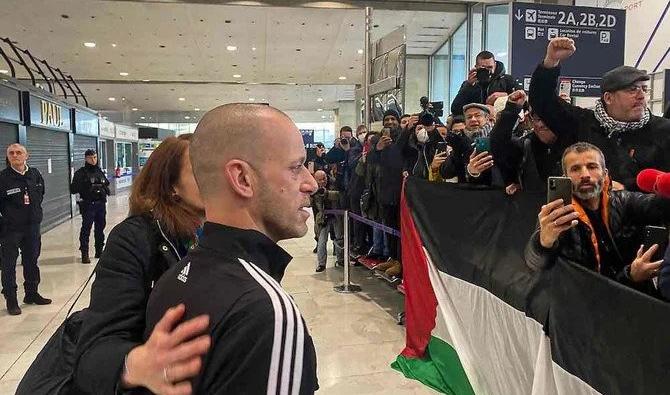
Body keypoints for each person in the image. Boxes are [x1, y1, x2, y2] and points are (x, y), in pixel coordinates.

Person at [144, 104, 319, 394]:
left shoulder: (175, 278)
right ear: (242, 179)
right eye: (295, 167)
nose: (310, 183)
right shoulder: (267, 312)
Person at [73, 135, 211, 395]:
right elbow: (95, 353)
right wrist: (135, 364)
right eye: (202, 172)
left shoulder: (225, 234)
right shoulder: (135, 237)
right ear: (171, 185)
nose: (217, 182)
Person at [524, 142, 670, 296]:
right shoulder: (557, 215)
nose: (585, 174)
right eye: (575, 169)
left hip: (632, 302)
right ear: (565, 177)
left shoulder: (624, 201)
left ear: (605, 173)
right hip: (584, 305)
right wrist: (543, 242)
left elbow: (659, 206)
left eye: (592, 167)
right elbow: (534, 264)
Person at [529, 37, 670, 191]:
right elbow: (542, 100)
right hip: (588, 213)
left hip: (645, 212)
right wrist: (551, 62)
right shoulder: (581, 124)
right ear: (608, 98)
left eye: (644, 89)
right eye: (632, 89)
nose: (641, 95)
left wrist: (626, 189)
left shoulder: (663, 131)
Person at [0, 144, 50, 316]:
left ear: (26, 155)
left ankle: (31, 293)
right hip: (10, 230)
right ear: (8, 157)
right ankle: (11, 300)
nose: (15, 155)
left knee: (31, 260)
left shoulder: (34, 174)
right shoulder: (3, 178)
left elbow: (40, 194)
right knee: (8, 265)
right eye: (11, 153)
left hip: (32, 227)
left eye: (19, 152)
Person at [490, 90, 565, 195]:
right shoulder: (526, 144)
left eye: (547, 119)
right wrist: (511, 109)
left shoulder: (576, 144)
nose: (541, 124)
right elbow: (498, 144)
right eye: (537, 119)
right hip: (530, 207)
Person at [368, 109, 410, 277]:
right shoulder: (378, 140)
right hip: (384, 191)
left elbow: (401, 154)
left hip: (401, 191)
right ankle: (392, 258)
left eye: (393, 119)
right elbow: (370, 162)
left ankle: (401, 261)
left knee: (400, 229)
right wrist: (377, 149)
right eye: (387, 119)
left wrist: (407, 131)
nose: (390, 122)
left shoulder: (403, 137)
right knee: (389, 228)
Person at [70, 149, 110, 264]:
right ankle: (85, 253)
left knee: (100, 229)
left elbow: (106, 184)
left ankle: (99, 251)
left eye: (95, 157)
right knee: (86, 229)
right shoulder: (80, 173)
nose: (93, 160)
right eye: (91, 157)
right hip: (88, 204)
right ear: (86, 158)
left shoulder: (99, 171)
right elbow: (73, 189)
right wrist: (85, 185)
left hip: (100, 204)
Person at [439, 104, 495, 186]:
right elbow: (446, 173)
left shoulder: (495, 137)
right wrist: (458, 152)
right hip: (467, 194)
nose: (473, 119)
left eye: (477, 115)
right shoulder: (460, 140)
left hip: (495, 193)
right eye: (469, 117)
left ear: (487, 118)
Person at [450, 51, 515, 116]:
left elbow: (521, 101)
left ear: (495, 65)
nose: (487, 71)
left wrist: (505, 96)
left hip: (499, 120)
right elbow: (455, 109)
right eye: (483, 69)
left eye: (490, 67)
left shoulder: (507, 80)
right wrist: (469, 86)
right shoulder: (468, 84)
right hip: (475, 122)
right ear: (476, 67)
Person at [312, 170, 341, 272]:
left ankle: (341, 260)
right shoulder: (313, 187)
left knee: (339, 239)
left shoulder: (334, 182)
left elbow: (340, 195)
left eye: (324, 178)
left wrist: (327, 193)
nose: (323, 181)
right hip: (323, 217)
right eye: (320, 180)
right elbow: (313, 206)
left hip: (336, 215)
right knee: (321, 242)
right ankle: (321, 264)